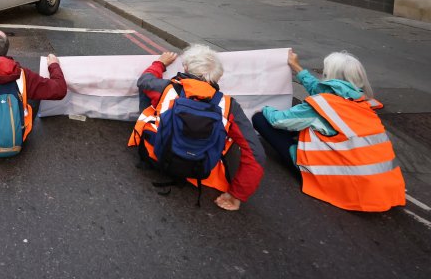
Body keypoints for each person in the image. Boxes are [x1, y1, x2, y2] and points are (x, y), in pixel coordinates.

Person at [252, 49, 405, 212]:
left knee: (261, 118)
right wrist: (296, 67)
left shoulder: (323, 104)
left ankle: (301, 161)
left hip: (350, 185)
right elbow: (319, 90)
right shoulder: (361, 101)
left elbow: (278, 121)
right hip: (386, 187)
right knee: (304, 119)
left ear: (330, 76)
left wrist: (264, 107)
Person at [128, 45, 265, 211]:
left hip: (156, 156)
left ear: (185, 68)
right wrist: (237, 195)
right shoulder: (229, 105)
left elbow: (144, 80)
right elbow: (256, 154)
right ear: (217, 77)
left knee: (148, 91)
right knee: (234, 138)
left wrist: (160, 63)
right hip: (200, 169)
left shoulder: (166, 88)